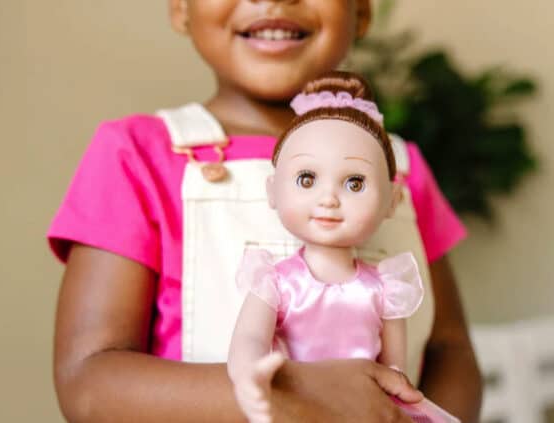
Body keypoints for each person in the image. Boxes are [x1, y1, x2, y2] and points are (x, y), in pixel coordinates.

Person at [48, 1, 482, 422]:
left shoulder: (404, 170)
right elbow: (87, 382)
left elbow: (452, 350)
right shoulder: (137, 155)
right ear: (181, 7)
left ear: (362, 10)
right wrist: (296, 397)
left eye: (354, 184)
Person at [227, 71, 458, 423]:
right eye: (307, 179)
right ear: (273, 190)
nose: (329, 199)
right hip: (294, 408)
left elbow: (396, 370)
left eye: (354, 182)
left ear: (392, 201)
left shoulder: (387, 289)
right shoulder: (274, 281)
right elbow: (248, 341)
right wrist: (249, 378)